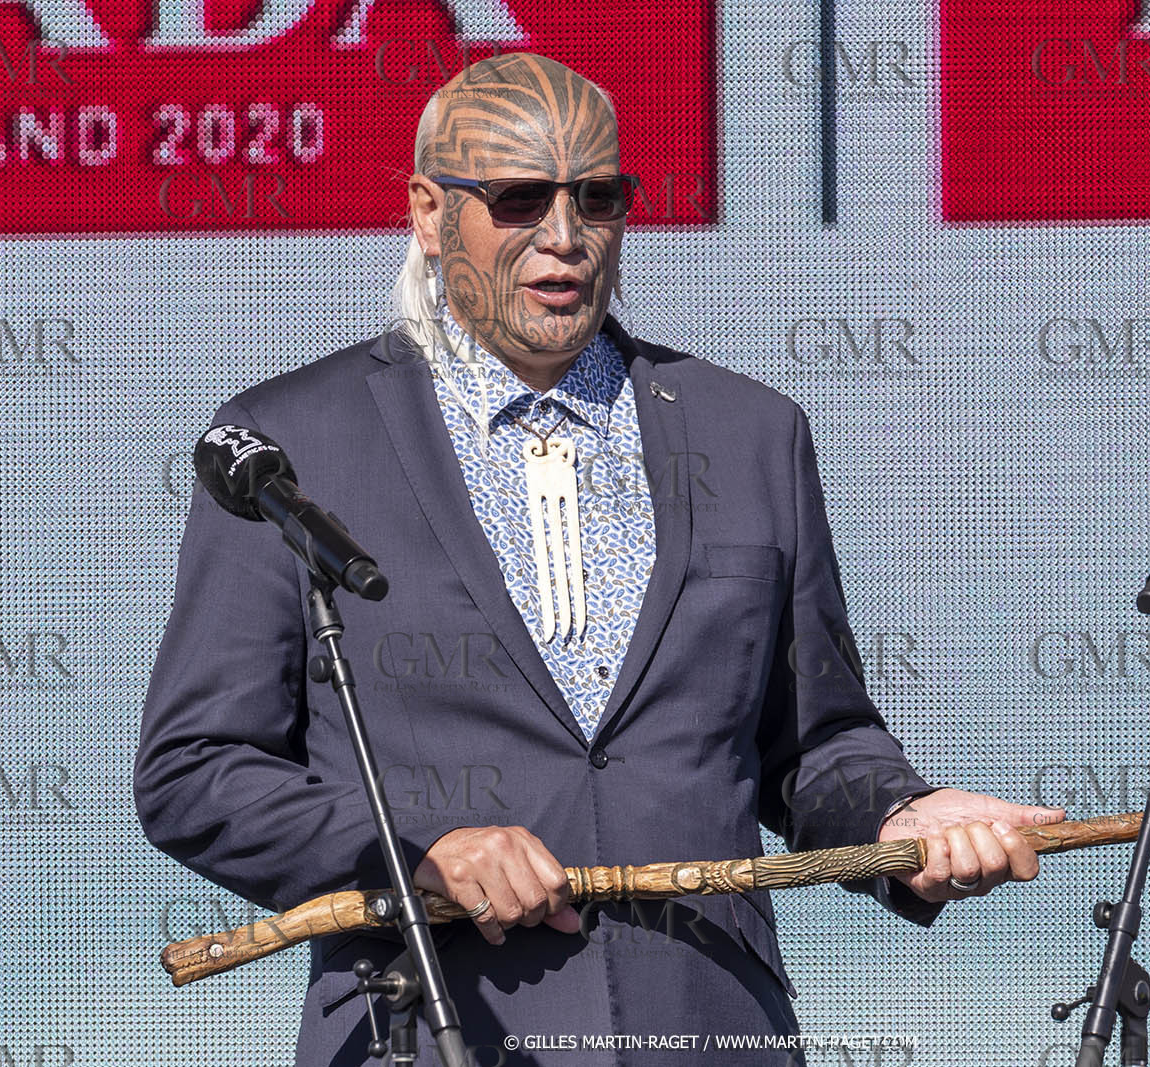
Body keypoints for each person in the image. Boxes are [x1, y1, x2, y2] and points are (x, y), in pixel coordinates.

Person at [135, 52, 1065, 1067]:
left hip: (708, 1027)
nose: (565, 236)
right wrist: (415, 851)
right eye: (520, 200)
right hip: (435, 1028)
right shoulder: (292, 444)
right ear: (427, 212)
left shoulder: (750, 432)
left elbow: (813, 740)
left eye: (598, 198)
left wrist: (906, 810)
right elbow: (199, 770)